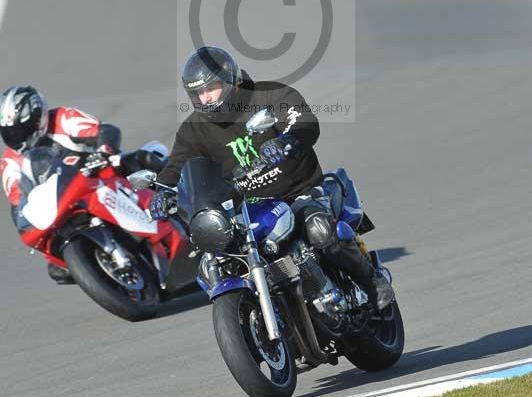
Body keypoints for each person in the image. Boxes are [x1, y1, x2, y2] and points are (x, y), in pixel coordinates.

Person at [150, 46, 393, 310]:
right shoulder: (193, 129)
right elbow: (178, 164)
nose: (206, 98)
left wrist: (286, 140)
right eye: (198, 93)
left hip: (300, 192)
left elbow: (302, 121)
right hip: (248, 209)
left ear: (230, 80)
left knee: (319, 230)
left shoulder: (269, 95)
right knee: (216, 261)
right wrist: (162, 191)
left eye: (211, 88)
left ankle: (372, 282)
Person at [0, 85, 131, 284]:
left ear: (38, 119)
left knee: (146, 157)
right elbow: (17, 202)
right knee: (58, 269)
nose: (17, 137)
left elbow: (104, 130)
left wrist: (104, 149)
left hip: (101, 177)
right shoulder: (9, 163)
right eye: (10, 132)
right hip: (64, 204)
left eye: (21, 129)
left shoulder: (63, 118)